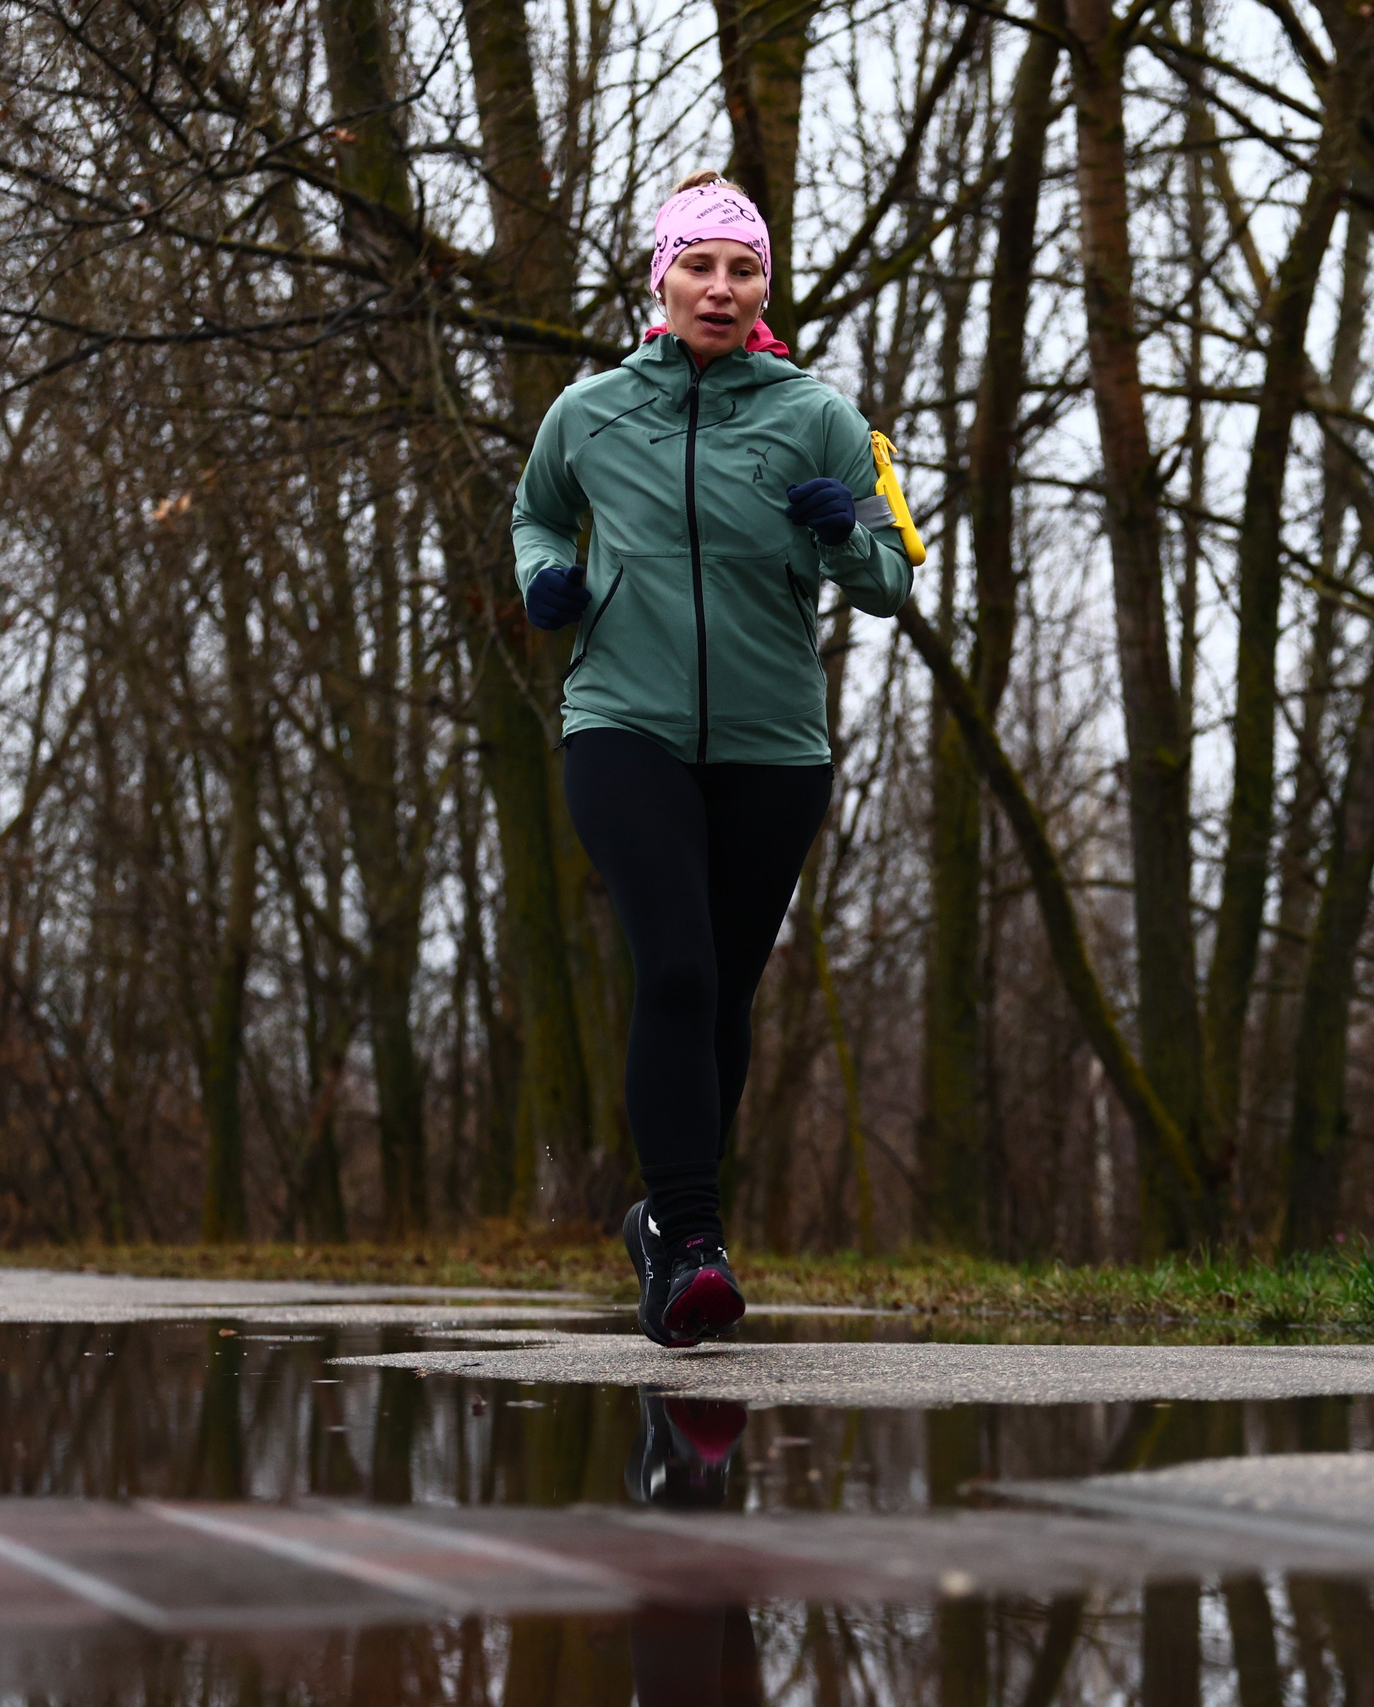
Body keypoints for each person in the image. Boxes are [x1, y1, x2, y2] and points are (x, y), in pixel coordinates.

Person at [512, 171, 914, 1348]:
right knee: (677, 971)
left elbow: (890, 576)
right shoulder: (587, 413)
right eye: (701, 265)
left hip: (772, 743)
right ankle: (691, 1244)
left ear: (763, 288)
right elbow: (537, 512)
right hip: (619, 723)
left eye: (743, 269)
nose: (721, 288)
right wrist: (547, 576)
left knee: (725, 998)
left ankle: (663, 1223)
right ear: (661, 278)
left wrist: (846, 531)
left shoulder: (819, 415)